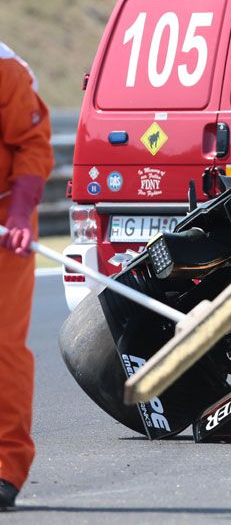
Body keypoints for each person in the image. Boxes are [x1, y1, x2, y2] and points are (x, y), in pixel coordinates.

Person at [0, 40, 54, 509]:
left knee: (2, 347)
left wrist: (20, 213)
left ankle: (6, 468)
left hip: (5, 228)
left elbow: (33, 145)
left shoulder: (7, 70)